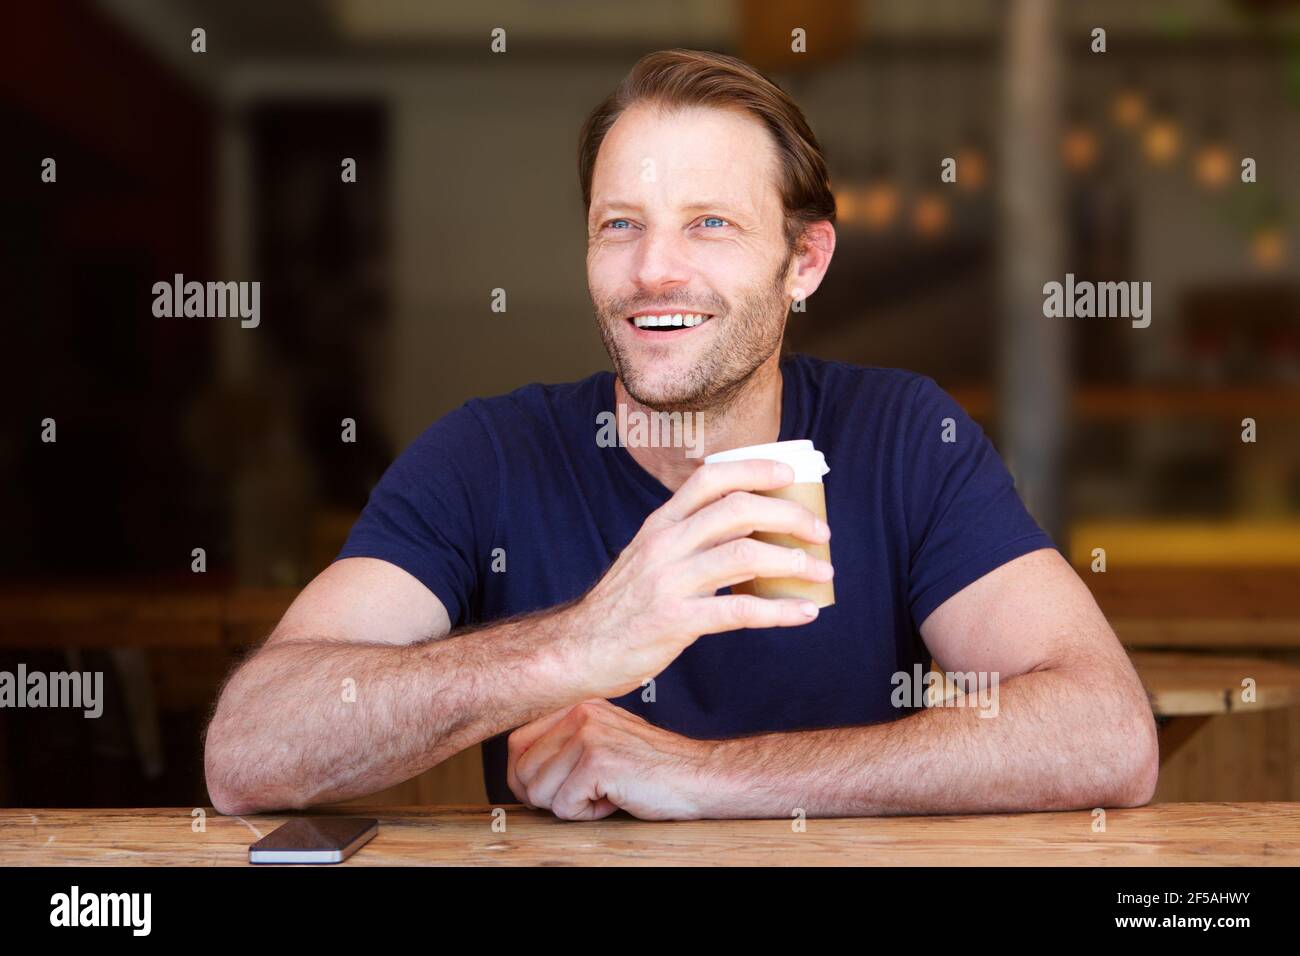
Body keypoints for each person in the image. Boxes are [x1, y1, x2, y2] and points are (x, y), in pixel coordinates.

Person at [205, 49, 1157, 820]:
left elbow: (1105, 731)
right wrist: (579, 643)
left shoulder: (903, 437)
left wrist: (703, 779)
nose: (654, 269)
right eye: (620, 224)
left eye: (709, 223)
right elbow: (251, 752)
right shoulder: (486, 456)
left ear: (805, 261)